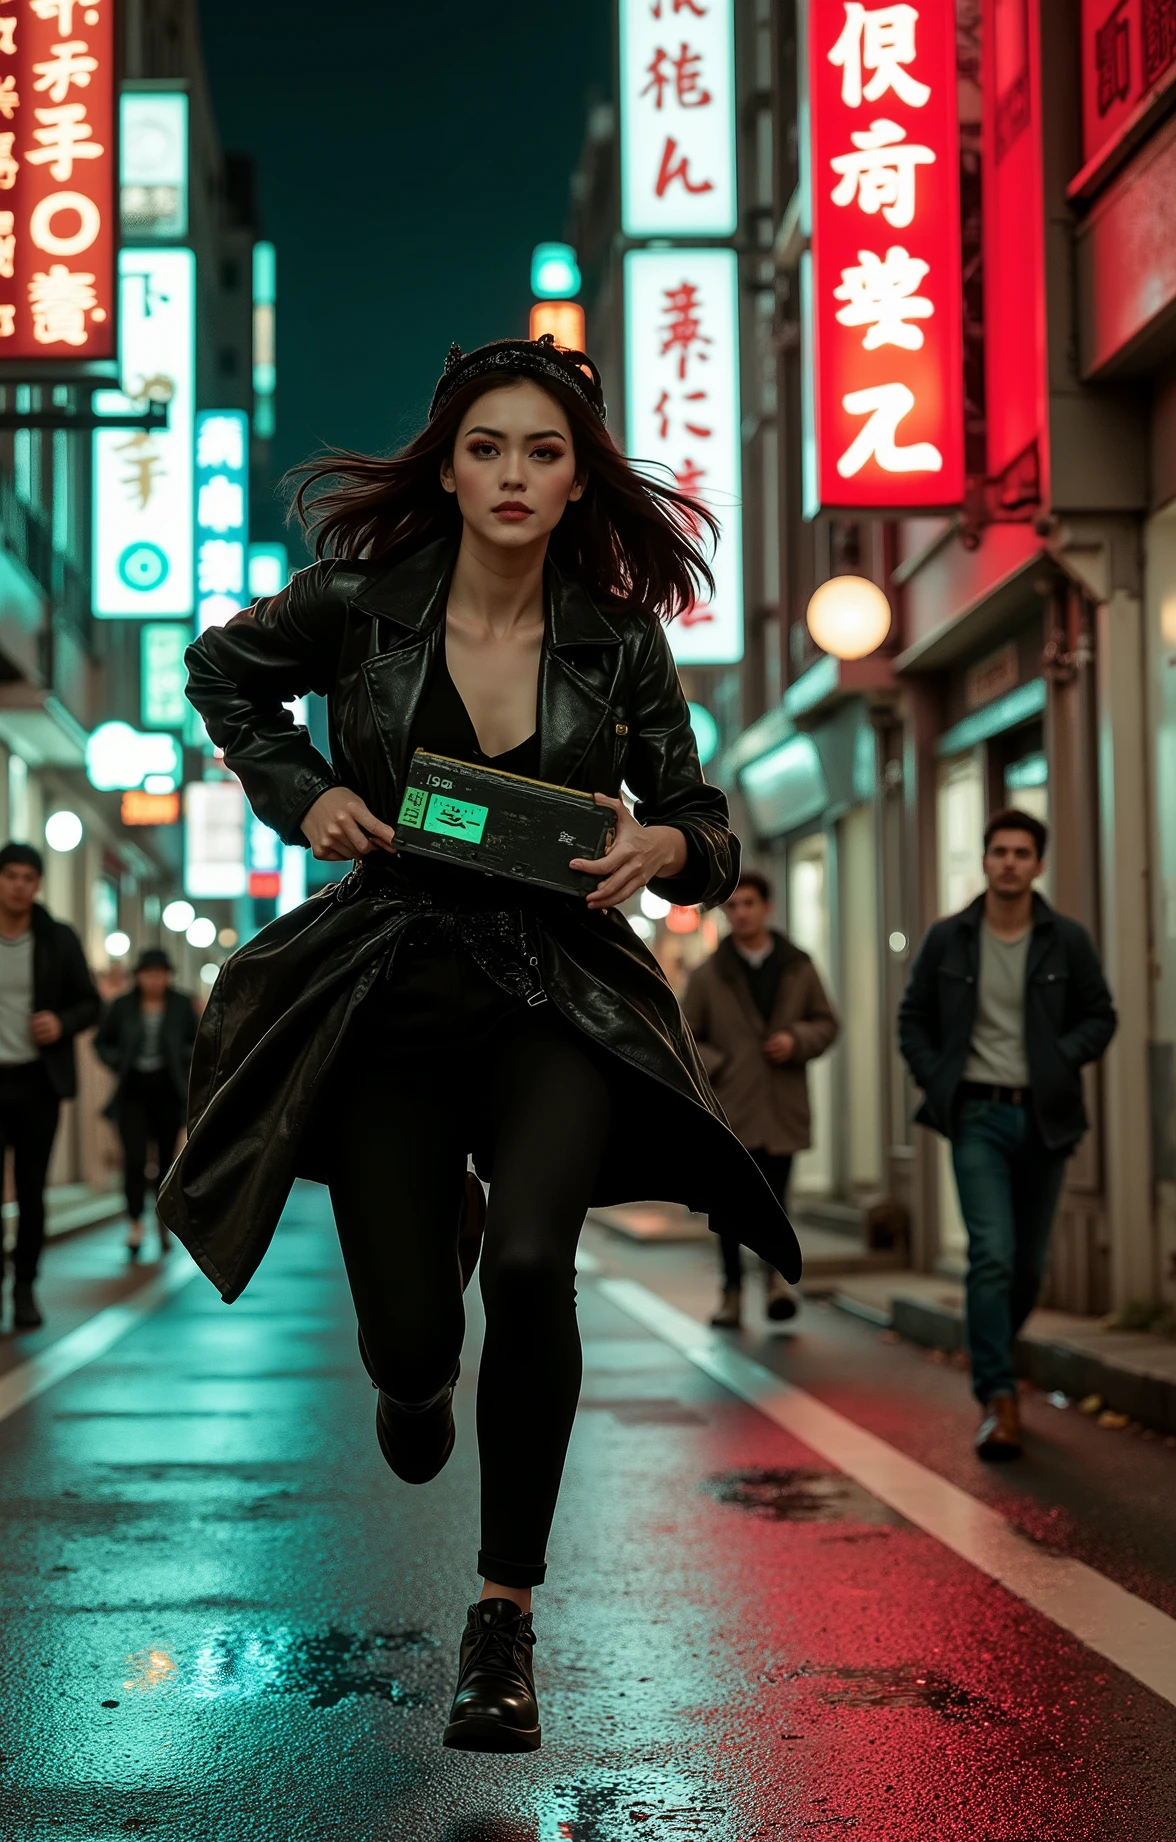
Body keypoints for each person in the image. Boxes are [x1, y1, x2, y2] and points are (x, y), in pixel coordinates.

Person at [159, 334, 800, 1753]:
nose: (515, 475)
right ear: (448, 468)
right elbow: (222, 674)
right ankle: (413, 1357)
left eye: (546, 452)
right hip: (387, 992)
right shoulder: (356, 605)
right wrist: (303, 792)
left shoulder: (617, 640)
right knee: (408, 1332)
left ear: (580, 483)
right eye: (489, 448)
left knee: (530, 1263)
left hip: (555, 996)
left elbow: (703, 819)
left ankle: (503, 1616)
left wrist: (661, 842)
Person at [898, 808, 1116, 1460]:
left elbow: (1100, 1016)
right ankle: (998, 1396)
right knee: (991, 1253)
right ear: (986, 860)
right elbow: (913, 1020)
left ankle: (993, 1348)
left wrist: (1058, 1057)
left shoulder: (1065, 940)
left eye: (1022, 853)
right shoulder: (950, 940)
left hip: (1045, 1119)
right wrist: (941, 1078)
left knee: (1028, 1267)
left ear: (1038, 864)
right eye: (1000, 852)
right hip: (977, 1117)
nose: (1010, 862)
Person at [683, 870, 839, 1328]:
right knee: (728, 1207)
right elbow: (685, 1035)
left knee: (778, 1200)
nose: (741, 913)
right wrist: (722, 1063)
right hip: (732, 1107)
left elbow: (827, 1023)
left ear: (767, 907)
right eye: (733, 906)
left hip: (782, 1104)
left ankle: (773, 1284)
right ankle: (731, 1292)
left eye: (749, 903)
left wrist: (796, 1039)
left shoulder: (798, 966)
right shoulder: (710, 974)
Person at [0, 841, 100, 1329]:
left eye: (27, 878)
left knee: (32, 1190)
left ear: (37, 885)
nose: (19, 885)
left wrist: (61, 1023)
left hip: (37, 1082)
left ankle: (24, 1288)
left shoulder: (57, 939)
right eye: (10, 875)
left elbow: (90, 1003)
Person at [95, 948, 197, 1259]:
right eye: (148, 972)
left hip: (168, 1089)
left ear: (168, 975)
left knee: (167, 1162)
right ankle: (135, 1223)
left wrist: (182, 1059)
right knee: (135, 1159)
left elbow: (198, 1039)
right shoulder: (123, 1005)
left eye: (160, 973)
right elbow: (102, 1041)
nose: (154, 979)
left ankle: (163, 1223)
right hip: (132, 1091)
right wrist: (116, 1061)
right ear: (138, 975)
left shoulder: (181, 1004)